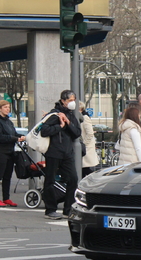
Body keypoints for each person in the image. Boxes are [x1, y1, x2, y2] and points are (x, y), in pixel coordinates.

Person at [39, 90, 82, 220]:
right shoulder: (54, 114)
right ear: (63, 101)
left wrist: (68, 123)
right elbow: (44, 131)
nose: (72, 103)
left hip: (67, 153)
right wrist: (60, 126)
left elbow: (77, 132)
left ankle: (67, 209)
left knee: (73, 179)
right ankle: (50, 209)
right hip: (54, 152)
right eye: (70, 100)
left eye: (74, 100)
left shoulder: (71, 115)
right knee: (50, 180)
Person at [0, 100, 25, 207]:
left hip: (10, 152)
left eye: (8, 107)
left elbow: (13, 133)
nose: (7, 109)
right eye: (5, 107)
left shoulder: (8, 121)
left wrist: (21, 136)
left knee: (7, 176)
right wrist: (14, 138)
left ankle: (6, 198)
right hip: (0, 152)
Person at [78, 101, 98, 177]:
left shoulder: (85, 118)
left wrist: (83, 144)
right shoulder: (82, 117)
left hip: (86, 148)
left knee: (85, 169)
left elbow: (90, 133)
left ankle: (96, 181)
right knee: (84, 169)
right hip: (85, 148)